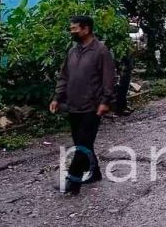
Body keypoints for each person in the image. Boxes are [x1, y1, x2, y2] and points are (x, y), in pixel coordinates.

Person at [49, 15, 116, 195]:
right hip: (73, 105)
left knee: (83, 145)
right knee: (81, 142)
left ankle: (73, 181)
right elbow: (64, 76)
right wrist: (57, 98)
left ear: (86, 29)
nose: (72, 32)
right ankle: (94, 172)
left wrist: (105, 101)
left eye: (74, 28)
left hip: (92, 107)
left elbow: (109, 79)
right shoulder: (72, 51)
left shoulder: (101, 51)